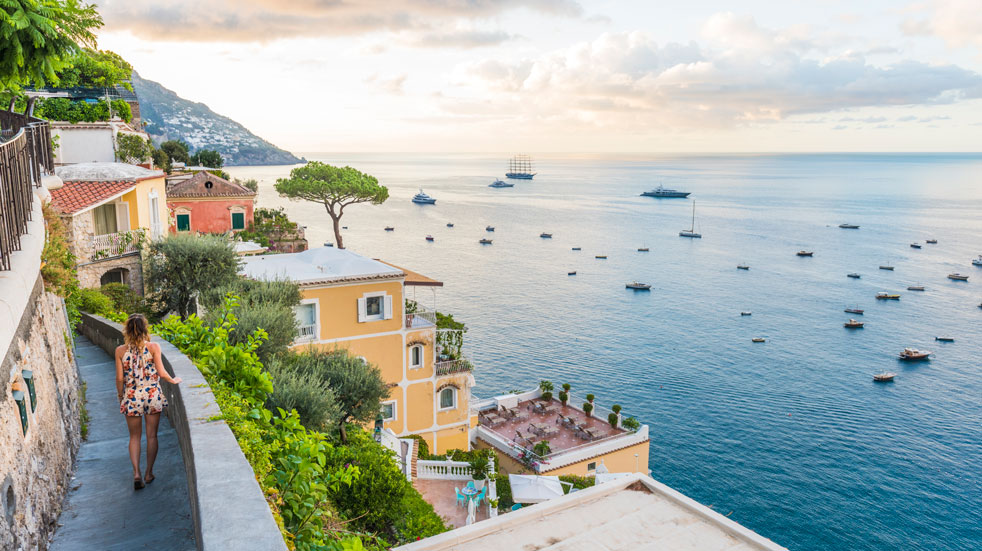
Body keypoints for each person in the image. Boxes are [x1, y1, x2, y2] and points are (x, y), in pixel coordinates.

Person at [115, 314, 182, 490]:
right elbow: (161, 372)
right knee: (152, 436)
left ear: (127, 330)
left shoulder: (120, 351)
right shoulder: (153, 347)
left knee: (134, 437)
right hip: (152, 394)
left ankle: (136, 473)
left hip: (131, 395)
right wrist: (173, 380)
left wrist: (120, 395)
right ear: (145, 329)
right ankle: (148, 472)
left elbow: (119, 378)